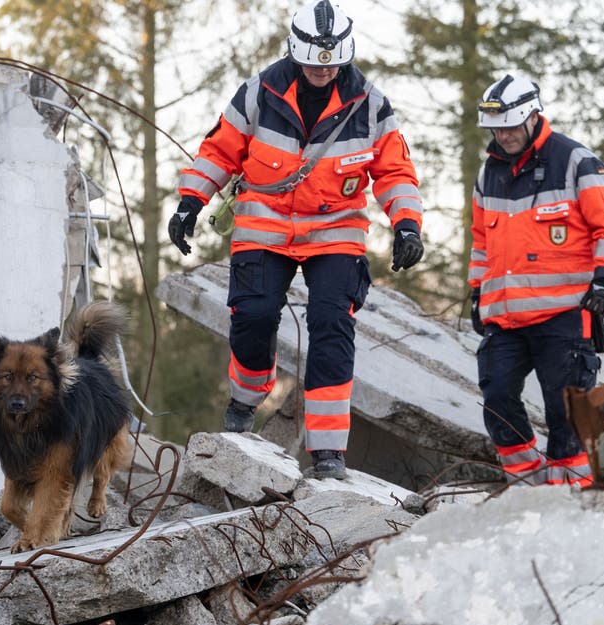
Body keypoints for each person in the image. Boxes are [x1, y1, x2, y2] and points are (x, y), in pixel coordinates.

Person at [168, 0, 424, 480]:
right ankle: (245, 399)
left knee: (331, 324)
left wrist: (406, 222)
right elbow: (220, 149)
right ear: (294, 52)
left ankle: (328, 452)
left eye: (330, 65)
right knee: (254, 313)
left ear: (344, 57)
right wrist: (190, 202)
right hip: (265, 219)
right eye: (311, 64)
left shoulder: (369, 102)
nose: (321, 73)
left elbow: (394, 171)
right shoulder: (261, 90)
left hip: (335, 228)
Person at [468, 72, 604, 487]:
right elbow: (481, 243)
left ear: (530, 117)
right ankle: (528, 485)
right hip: (504, 318)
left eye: (508, 127)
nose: (502, 136)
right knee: (498, 399)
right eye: (495, 129)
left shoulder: (576, 161)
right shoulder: (488, 174)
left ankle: (575, 494)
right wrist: (477, 293)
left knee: (567, 412)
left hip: (564, 314)